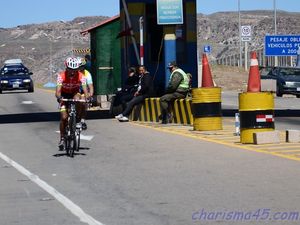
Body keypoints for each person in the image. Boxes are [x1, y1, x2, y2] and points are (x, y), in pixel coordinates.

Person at [55, 57, 88, 150]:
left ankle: (77, 120)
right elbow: (57, 91)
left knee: (79, 99)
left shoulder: (81, 76)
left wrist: (87, 98)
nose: (72, 72)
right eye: (70, 70)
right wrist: (59, 97)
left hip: (74, 93)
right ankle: (62, 138)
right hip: (64, 95)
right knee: (64, 118)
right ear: (66, 68)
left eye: (75, 70)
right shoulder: (61, 76)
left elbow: (85, 90)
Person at [77, 57, 94, 130]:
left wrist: (90, 94)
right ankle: (75, 117)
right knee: (77, 101)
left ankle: (82, 120)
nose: (81, 69)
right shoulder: (74, 73)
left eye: (83, 67)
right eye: (80, 67)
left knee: (84, 103)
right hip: (76, 90)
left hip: (84, 90)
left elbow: (91, 86)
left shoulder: (87, 74)